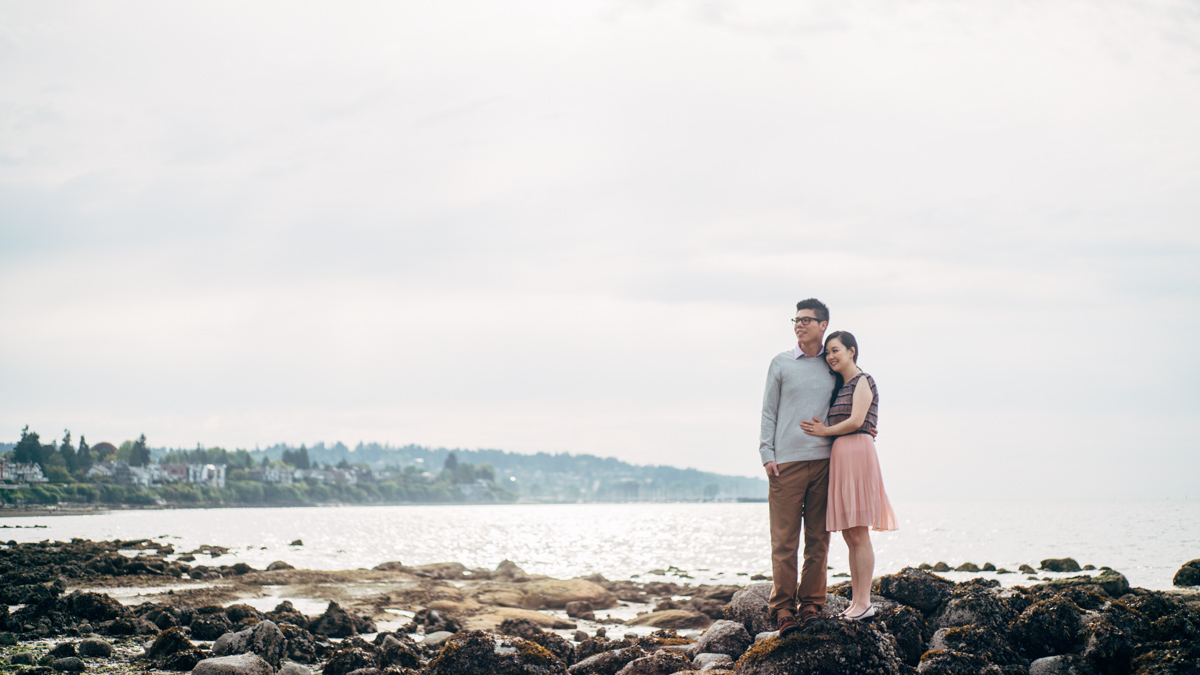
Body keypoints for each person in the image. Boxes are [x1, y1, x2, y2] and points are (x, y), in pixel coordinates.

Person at [800, 331, 897, 621]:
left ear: (852, 351)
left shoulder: (863, 380)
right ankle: (857, 602)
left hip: (856, 454)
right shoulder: (839, 387)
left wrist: (824, 431)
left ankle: (864, 602)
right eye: (828, 352)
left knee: (859, 532)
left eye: (836, 350)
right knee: (849, 533)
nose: (831, 356)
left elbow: (856, 421)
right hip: (842, 456)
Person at [759, 298, 838, 636]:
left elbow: (856, 395)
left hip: (825, 463)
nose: (799, 324)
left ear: (823, 325)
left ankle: (811, 606)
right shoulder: (781, 363)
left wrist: (867, 424)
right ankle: (783, 610)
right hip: (786, 464)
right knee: (784, 542)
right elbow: (769, 411)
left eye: (807, 320)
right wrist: (766, 452)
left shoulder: (833, 364)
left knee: (819, 539)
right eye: (796, 319)